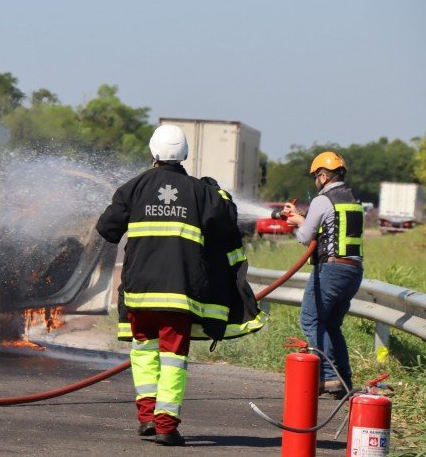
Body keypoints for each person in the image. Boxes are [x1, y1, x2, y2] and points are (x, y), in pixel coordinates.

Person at [97, 124, 255, 446]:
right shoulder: (200, 192)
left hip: (139, 293)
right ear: (185, 153)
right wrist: (219, 192)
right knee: (172, 358)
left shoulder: (133, 188)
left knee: (143, 352)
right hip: (178, 294)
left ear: (153, 152)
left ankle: (146, 419)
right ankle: (166, 425)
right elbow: (226, 224)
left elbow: (106, 228)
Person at [283, 151, 364, 399]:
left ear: (323, 175)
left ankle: (328, 377)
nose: (316, 181)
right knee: (331, 324)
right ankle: (343, 381)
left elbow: (306, 238)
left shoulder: (323, 199)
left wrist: (297, 223)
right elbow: (331, 227)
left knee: (311, 319)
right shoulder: (351, 199)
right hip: (352, 271)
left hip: (330, 269)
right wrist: (303, 217)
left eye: (316, 176)